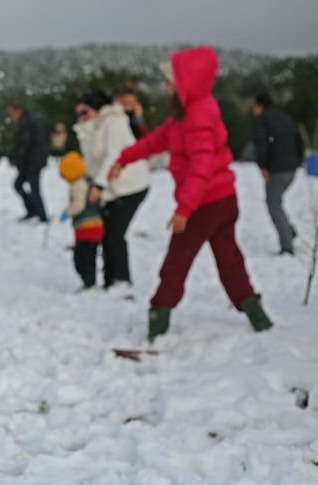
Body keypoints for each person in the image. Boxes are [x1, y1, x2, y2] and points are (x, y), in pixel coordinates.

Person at [109, 46, 273, 340]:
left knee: (177, 262)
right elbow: (157, 140)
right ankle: (255, 312)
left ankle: (158, 318)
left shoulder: (198, 116)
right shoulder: (185, 113)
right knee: (229, 259)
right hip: (222, 199)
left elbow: (202, 168)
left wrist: (185, 208)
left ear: (188, 81)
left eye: (171, 78)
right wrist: (124, 158)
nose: (165, 84)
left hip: (206, 203)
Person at [74, 89, 150, 290]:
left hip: (131, 185)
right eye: (78, 113)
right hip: (111, 188)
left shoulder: (115, 122)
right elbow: (92, 161)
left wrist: (99, 185)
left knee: (114, 233)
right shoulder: (91, 128)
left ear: (98, 109)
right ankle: (110, 279)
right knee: (106, 232)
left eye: (85, 112)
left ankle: (121, 280)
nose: (81, 117)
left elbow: (113, 156)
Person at [252, 92, 306, 255]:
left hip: (277, 169)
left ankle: (287, 246)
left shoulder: (262, 120)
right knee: (276, 202)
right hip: (291, 169)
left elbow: (261, 144)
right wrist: (299, 159)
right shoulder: (285, 117)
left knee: (273, 205)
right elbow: (299, 139)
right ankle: (289, 231)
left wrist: (263, 166)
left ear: (260, 105)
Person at [59, 152, 104, 290]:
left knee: (82, 258)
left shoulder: (77, 185)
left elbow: (79, 205)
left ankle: (89, 282)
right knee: (89, 255)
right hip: (96, 225)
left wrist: (67, 212)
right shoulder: (89, 181)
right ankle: (89, 281)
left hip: (86, 227)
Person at [7, 102, 49, 223]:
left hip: (32, 163)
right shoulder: (28, 121)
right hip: (28, 163)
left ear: (17, 110)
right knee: (18, 185)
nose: (11, 117)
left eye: (11, 113)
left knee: (34, 190)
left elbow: (24, 144)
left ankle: (42, 216)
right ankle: (33, 210)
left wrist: (15, 157)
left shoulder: (27, 122)